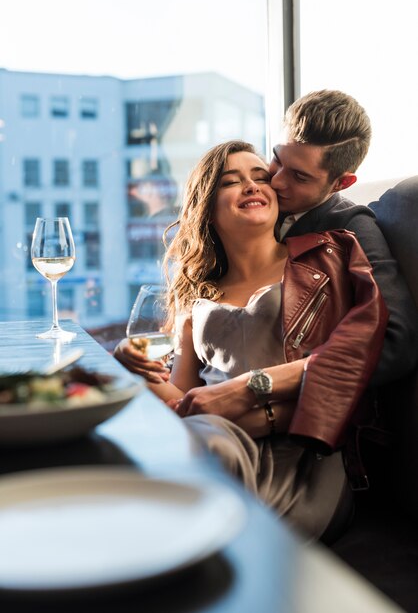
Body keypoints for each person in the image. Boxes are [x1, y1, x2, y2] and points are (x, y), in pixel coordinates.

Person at [115, 140, 388, 542]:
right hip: (214, 438)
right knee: (190, 447)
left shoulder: (326, 257)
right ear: (207, 205)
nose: (252, 185)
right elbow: (185, 399)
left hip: (303, 457)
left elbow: (353, 356)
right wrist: (132, 366)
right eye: (231, 181)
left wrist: (249, 403)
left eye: (261, 177)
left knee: (198, 454)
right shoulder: (196, 299)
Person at [269, 89, 418, 385]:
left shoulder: (352, 228)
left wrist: (292, 380)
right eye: (276, 159)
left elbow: (399, 343)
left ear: (342, 183)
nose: (276, 180)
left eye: (299, 177)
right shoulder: (256, 200)